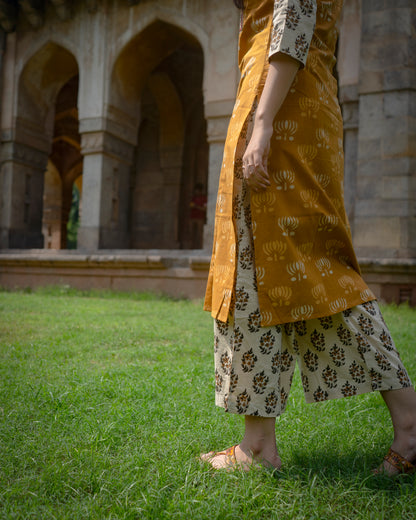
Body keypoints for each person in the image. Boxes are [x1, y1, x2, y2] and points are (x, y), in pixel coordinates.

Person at [201, 0, 416, 475]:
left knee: (306, 271)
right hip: (285, 102)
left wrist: (262, 123)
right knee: (275, 273)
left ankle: (411, 425)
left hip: (281, 109)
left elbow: (293, 17)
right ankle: (257, 446)